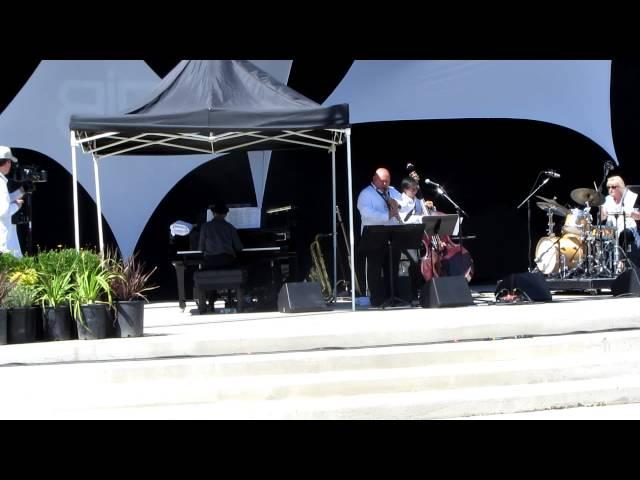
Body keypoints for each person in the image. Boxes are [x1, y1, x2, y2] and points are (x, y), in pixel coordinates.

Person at [356, 167, 402, 307]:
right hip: (374, 234)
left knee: (392, 266)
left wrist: (397, 205)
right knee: (375, 267)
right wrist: (388, 215)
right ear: (374, 179)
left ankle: (392, 297)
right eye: (382, 181)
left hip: (393, 234)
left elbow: (403, 203)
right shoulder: (366, 194)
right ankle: (376, 299)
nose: (385, 184)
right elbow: (367, 214)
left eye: (387, 181)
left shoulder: (393, 191)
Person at [600, 175, 640, 269]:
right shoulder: (607, 199)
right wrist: (601, 209)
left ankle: (622, 262)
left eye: (613, 187)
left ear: (621, 187)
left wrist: (632, 213)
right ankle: (605, 267)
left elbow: (638, 216)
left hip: (628, 231)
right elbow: (602, 218)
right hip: (611, 231)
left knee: (624, 233)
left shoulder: (631, 197)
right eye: (608, 187)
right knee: (599, 235)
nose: (610, 190)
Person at [198, 203, 244, 269]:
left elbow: (201, 249)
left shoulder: (204, 227)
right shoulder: (230, 227)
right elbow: (238, 247)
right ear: (225, 214)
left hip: (210, 261)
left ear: (213, 213)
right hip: (227, 261)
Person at [0, 146, 25, 256]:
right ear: (5, 162)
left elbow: (4, 199)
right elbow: (3, 210)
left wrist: (22, 191)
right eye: (9, 162)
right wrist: (17, 206)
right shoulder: (0, 183)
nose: (10, 165)